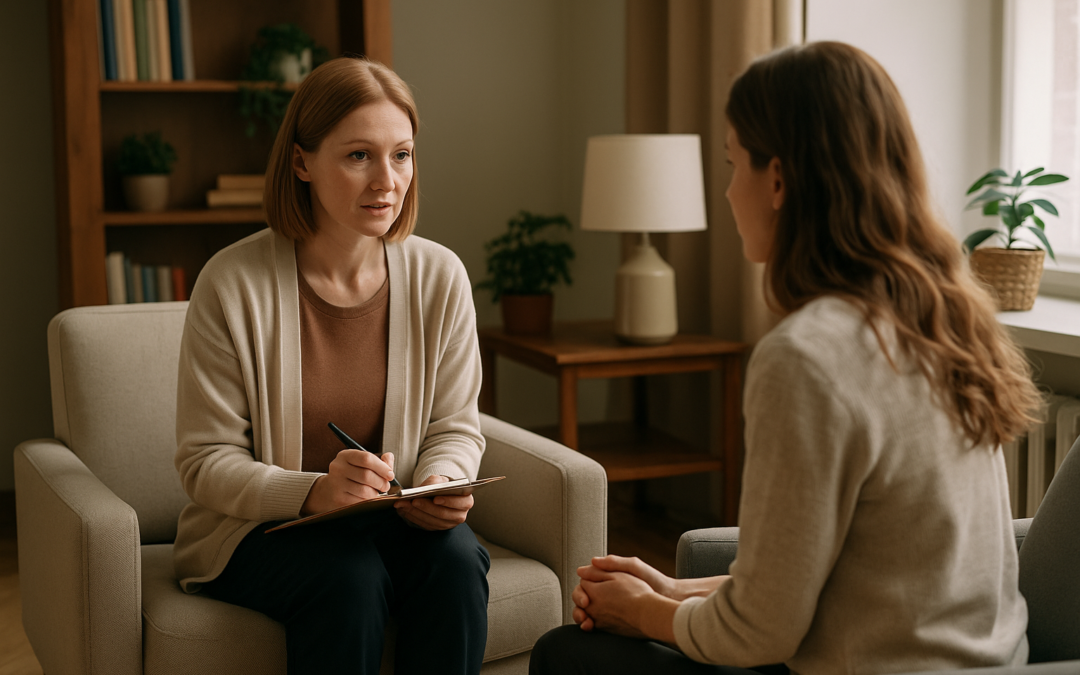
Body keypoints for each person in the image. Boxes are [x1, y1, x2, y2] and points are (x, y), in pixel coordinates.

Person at [531, 40, 1041, 675]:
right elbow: (849, 575)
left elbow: (758, 635)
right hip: (995, 663)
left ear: (777, 180)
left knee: (567, 654)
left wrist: (639, 613)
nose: (726, 192)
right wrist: (667, 590)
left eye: (731, 163)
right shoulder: (951, 317)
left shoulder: (807, 357)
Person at [172, 56, 490, 675]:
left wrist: (442, 481)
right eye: (358, 156)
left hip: (387, 521)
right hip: (255, 530)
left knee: (455, 559)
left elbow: (456, 424)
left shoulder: (440, 276)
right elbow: (204, 462)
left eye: (401, 155)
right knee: (347, 577)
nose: (386, 182)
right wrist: (313, 492)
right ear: (301, 163)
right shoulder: (231, 283)